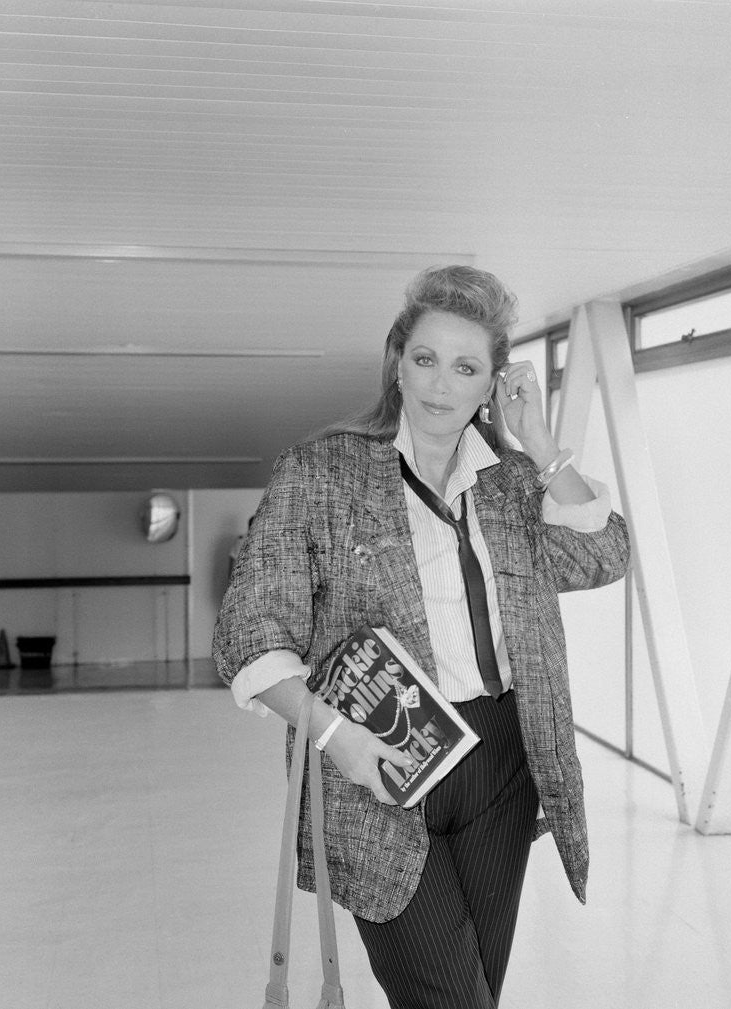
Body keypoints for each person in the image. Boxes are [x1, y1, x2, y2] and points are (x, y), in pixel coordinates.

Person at [213, 265, 630, 1009]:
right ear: (397, 361)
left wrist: (541, 444)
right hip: (374, 760)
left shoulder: (509, 484)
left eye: (466, 367)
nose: (441, 385)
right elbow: (248, 630)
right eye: (425, 359)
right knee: (448, 997)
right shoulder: (324, 473)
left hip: (501, 757)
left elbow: (604, 554)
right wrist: (334, 734)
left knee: (473, 991)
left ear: (492, 384)